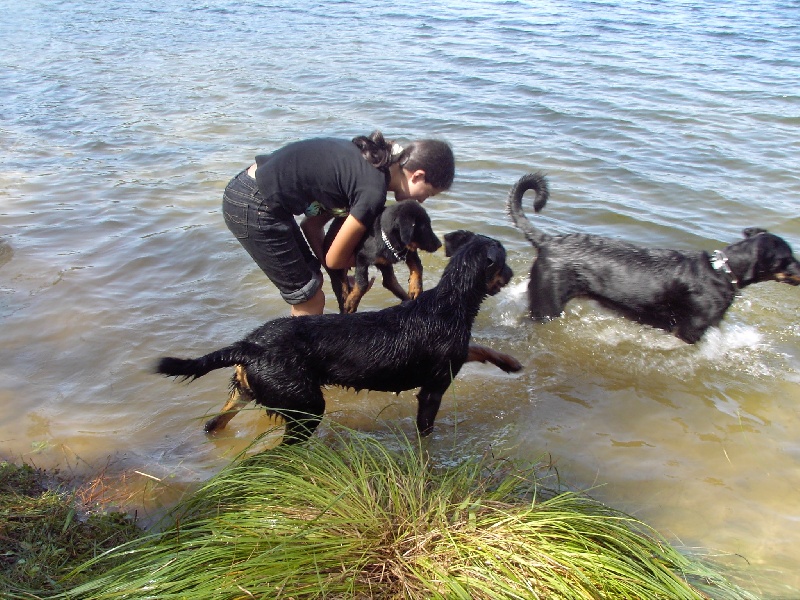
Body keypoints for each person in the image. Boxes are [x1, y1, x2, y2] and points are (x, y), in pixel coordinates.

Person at [222, 131, 455, 316]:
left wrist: (338, 266)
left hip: (249, 190)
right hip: (256, 205)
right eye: (429, 194)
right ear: (418, 176)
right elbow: (334, 260)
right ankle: (301, 370)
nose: (423, 201)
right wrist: (367, 261)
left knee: (312, 283)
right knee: (310, 297)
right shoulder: (373, 193)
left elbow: (311, 226)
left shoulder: (372, 164)